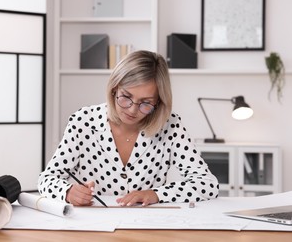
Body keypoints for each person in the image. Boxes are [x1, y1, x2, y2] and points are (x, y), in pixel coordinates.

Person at [38, 50, 219, 207]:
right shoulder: (83, 121)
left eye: (146, 103)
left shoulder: (170, 126)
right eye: (126, 96)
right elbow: (47, 180)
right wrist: (68, 191)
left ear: (158, 102)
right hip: (94, 225)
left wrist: (156, 194)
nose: (132, 110)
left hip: (147, 227)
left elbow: (207, 184)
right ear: (114, 88)